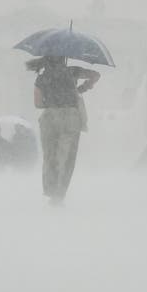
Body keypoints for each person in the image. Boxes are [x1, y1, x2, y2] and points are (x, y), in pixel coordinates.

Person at [29, 55, 100, 204]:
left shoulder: (41, 79)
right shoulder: (72, 71)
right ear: (63, 59)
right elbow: (95, 75)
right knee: (67, 158)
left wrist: (51, 100)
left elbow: (37, 104)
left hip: (50, 118)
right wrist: (82, 88)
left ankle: (51, 189)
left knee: (50, 156)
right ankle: (60, 194)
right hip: (70, 118)